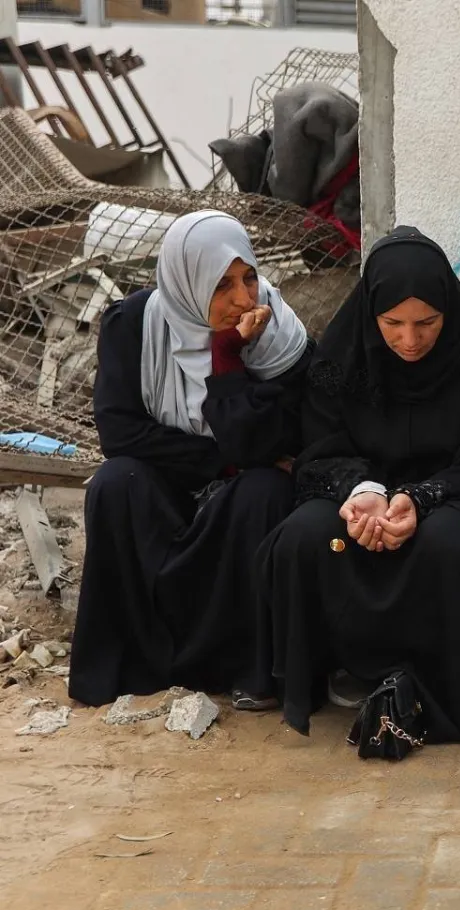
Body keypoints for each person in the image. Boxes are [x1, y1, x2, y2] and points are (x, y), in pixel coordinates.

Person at [257, 227, 460, 743]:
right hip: (368, 491)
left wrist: (421, 496)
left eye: (427, 322)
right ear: (371, 313)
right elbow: (322, 446)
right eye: (392, 323)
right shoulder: (343, 351)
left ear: (447, 310)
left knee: (447, 543)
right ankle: (350, 666)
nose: (410, 340)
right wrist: (363, 491)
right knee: (305, 535)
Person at [71, 210, 312, 710]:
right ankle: (133, 662)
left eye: (249, 277)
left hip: (241, 499)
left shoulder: (280, 339)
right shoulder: (133, 325)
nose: (244, 299)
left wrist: (226, 357)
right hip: (173, 486)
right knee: (116, 482)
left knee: (266, 489)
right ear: (186, 282)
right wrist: (220, 461)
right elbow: (119, 431)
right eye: (222, 285)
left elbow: (265, 446)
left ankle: (249, 670)